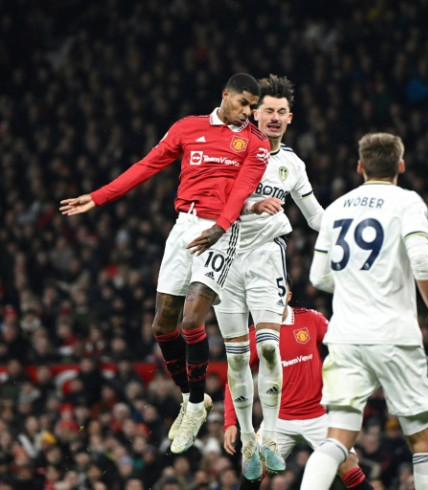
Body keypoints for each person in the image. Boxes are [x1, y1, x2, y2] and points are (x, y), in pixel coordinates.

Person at [59, 73, 270, 454]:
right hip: (184, 226)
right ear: (226, 95)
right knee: (162, 325)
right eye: (244, 103)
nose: (249, 112)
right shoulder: (188, 128)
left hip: (221, 229)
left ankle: (193, 403)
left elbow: (241, 190)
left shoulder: (255, 143)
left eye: (254, 107)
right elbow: (146, 166)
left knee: (192, 319)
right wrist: (99, 197)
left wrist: (221, 228)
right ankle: (193, 402)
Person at [301, 132, 428, 490]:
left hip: (346, 338)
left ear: (360, 167)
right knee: (425, 442)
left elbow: (318, 276)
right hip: (394, 335)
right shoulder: (407, 202)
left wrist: (358, 284)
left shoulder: (337, 207)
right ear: (401, 166)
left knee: (337, 438)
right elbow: (420, 258)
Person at [213, 74, 324, 478]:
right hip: (224, 256)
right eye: (267, 111)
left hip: (265, 258)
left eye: (281, 112)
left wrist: (344, 235)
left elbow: (315, 217)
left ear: (290, 118)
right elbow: (210, 203)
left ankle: (271, 436)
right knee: (237, 357)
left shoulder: (292, 164)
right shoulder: (230, 150)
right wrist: (250, 206)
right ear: (254, 113)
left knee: (270, 349)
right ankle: (247, 440)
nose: (274, 118)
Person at [222, 280, 373, 489]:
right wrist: (230, 421)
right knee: (252, 469)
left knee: (349, 467)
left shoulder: (310, 319)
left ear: (289, 296)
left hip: (318, 416)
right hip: (279, 420)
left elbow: (341, 344)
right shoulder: (256, 334)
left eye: (278, 292)